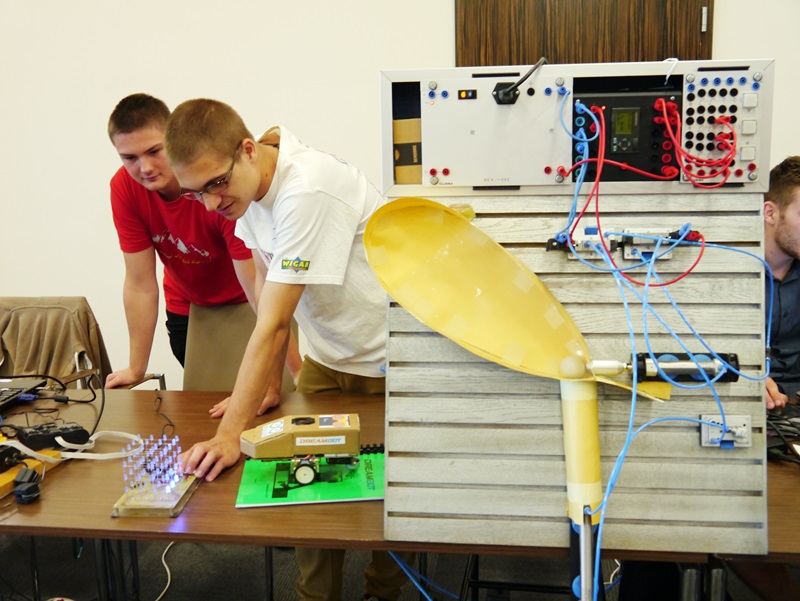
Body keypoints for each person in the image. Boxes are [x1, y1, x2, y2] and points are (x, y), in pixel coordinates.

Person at [164, 98, 413, 601]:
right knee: (309, 484)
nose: (210, 204)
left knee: (387, 491)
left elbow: (275, 323)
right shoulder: (248, 188)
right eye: (196, 193)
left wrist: (229, 435)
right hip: (328, 356)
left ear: (247, 150)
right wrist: (270, 385)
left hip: (389, 358)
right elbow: (264, 286)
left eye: (216, 184)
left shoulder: (306, 189)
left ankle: (384, 593)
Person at [105, 93, 301, 392]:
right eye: (129, 158)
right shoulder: (125, 188)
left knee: (264, 396)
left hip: (250, 301)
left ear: (173, 141)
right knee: (204, 403)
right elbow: (139, 283)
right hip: (189, 306)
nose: (145, 168)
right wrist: (136, 368)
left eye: (154, 151)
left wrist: (297, 372)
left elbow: (255, 282)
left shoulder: (214, 187)